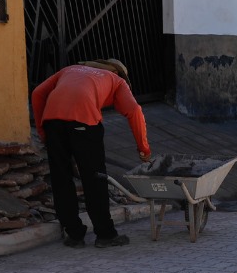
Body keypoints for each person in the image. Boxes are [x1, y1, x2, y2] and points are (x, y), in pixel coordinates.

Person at [31, 59, 151, 249]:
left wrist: (42, 132)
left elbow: (37, 93)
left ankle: (74, 235)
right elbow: (134, 110)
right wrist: (144, 149)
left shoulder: (70, 69)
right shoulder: (116, 80)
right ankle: (105, 234)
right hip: (84, 123)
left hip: (53, 122)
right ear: (120, 74)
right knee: (94, 178)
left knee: (61, 178)